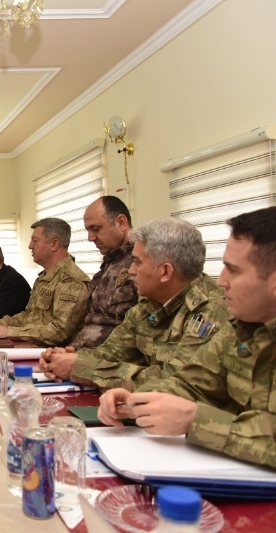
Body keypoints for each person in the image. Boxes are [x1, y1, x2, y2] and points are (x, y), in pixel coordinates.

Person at [98, 207, 276, 469]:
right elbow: (192, 385)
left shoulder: (221, 313)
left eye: (233, 270)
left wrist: (195, 421)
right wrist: (135, 401)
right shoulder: (242, 327)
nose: (221, 281)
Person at [41, 218, 228, 390]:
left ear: (165, 272)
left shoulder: (210, 311)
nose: (130, 270)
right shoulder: (148, 305)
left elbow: (176, 382)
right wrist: (65, 360)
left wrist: (82, 368)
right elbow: (111, 352)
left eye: (137, 262)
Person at [0, 218, 90, 346]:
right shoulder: (44, 278)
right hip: (33, 347)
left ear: (54, 244)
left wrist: (10, 332)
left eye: (35, 241)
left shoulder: (71, 281)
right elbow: (28, 316)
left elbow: (59, 331)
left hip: (55, 353)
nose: (30, 246)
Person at [70, 196, 138, 349]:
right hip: (81, 353)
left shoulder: (141, 263)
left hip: (108, 359)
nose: (90, 238)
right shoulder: (109, 264)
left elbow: (141, 332)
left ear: (121, 223)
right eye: (88, 230)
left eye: (96, 229)